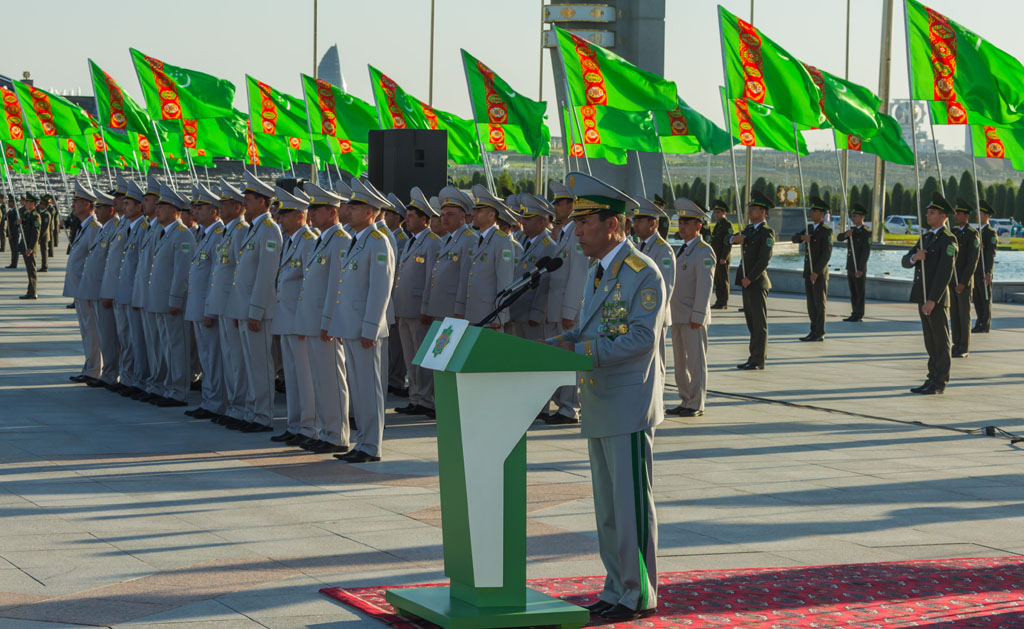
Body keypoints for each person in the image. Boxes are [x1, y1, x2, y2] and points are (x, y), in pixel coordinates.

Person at [545, 172, 661, 622]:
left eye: (584, 223)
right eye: (576, 223)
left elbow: (640, 339)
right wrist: (560, 343)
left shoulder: (640, 272)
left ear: (612, 225)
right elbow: (591, 328)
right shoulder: (599, 271)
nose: (576, 231)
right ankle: (616, 587)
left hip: (627, 406)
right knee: (609, 509)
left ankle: (639, 594)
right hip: (599, 401)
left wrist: (580, 350)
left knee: (630, 506)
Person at [324, 178, 395, 463]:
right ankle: (363, 442)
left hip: (366, 329)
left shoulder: (378, 242)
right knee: (359, 388)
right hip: (352, 326)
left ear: (370, 211)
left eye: (354, 206)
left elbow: (381, 290)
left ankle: (372, 446)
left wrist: (370, 328)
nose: (347, 210)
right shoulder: (359, 241)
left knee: (369, 388)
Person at [296, 181, 353, 454]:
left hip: (326, 323)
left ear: (332, 213)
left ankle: (338, 435)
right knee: (320, 379)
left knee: (332, 378)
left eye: (317, 210)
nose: (311, 214)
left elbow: (337, 285)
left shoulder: (341, 240)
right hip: (314, 321)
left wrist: (329, 321)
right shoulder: (323, 239)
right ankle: (324, 430)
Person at [225, 171, 283, 432]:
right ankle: (251, 412)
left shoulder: (269, 230)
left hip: (258, 311)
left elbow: (266, 275)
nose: (244, 203)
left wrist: (255, 311)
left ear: (262, 202)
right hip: (246, 308)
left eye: (248, 199)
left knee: (260, 365)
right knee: (249, 365)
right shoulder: (254, 229)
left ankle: (262, 416)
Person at [270, 186, 319, 444]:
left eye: (285, 214)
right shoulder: (291, 241)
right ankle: (295, 424)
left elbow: (310, 285)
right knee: (292, 376)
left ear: (299, 216)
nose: (279, 219)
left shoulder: (309, 241)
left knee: (305, 377)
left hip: (299, 320)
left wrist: (304, 320)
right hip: (286, 318)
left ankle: (309, 427)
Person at [539, 181, 587, 425]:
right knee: (559, 356)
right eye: (555, 202)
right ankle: (563, 404)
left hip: (567, 310)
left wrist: (569, 310)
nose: (555, 206)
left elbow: (578, 275)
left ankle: (570, 408)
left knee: (569, 358)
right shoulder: (565, 234)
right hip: (556, 308)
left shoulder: (576, 236)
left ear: (572, 205)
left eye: (560, 202)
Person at [392, 187, 441, 419]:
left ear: (425, 220)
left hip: (420, 310)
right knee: (411, 358)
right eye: (407, 215)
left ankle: (426, 399)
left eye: (412, 216)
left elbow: (432, 277)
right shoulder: (411, 241)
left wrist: (427, 308)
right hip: (405, 309)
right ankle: (415, 397)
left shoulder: (432, 242)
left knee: (423, 357)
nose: (407, 219)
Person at [146, 185, 197, 407]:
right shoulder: (163, 233)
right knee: (166, 347)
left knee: (177, 347)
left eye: (162, 206)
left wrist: (176, 300)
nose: (157, 210)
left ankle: (178, 390)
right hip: (160, 300)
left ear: (175, 210)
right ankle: (168, 386)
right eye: (157, 206)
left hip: (172, 302)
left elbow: (182, 272)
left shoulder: (183, 235)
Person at [901, 194, 957, 395]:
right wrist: (916, 257)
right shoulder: (925, 238)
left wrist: (933, 299)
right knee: (930, 340)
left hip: (936, 300)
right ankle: (931, 377)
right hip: (922, 296)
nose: (927, 215)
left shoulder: (948, 240)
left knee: (941, 341)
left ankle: (940, 381)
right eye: (928, 212)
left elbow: (945, 273)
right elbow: (905, 261)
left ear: (943, 216)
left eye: (932, 212)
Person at [205, 179, 250, 427]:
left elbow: (237, 274)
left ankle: (239, 406)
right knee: (229, 359)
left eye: (224, 203)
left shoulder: (241, 230)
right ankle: (232, 405)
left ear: (237, 206)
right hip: (222, 303)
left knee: (236, 361)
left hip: (231, 304)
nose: (220, 207)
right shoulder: (229, 230)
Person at [668, 199, 715, 417]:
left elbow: (705, 286)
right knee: (680, 362)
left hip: (692, 317)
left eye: (687, 222)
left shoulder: (704, 251)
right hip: (677, 315)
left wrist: (699, 315)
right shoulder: (683, 249)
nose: (682, 225)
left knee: (695, 362)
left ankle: (697, 402)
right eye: (681, 221)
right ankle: (685, 399)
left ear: (698, 225)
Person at [183, 184, 225, 419]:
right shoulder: (205, 233)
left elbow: (215, 277)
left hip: (207, 307)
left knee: (213, 357)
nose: (194, 211)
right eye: (194, 207)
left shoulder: (218, 235)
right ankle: (210, 399)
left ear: (213, 211)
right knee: (206, 357)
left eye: (200, 207)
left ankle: (215, 401)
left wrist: (210, 309)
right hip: (198, 306)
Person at [731, 191, 775, 369]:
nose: (751, 212)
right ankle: (753, 356)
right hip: (746, 281)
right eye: (751, 208)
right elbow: (730, 239)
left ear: (763, 212)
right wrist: (736, 239)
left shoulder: (766, 232)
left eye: (755, 209)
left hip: (756, 282)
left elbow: (764, 259)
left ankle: (758, 359)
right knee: (751, 322)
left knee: (759, 323)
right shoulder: (749, 230)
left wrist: (750, 278)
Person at [421, 186, 475, 323]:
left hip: (452, 309)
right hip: (441, 306)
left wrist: (459, 309)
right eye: (442, 215)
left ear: (462, 216)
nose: (444, 218)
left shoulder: (469, 239)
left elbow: (465, 279)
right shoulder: (448, 239)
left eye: (450, 214)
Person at [505, 192, 553, 338]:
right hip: (515, 309)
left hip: (530, 315)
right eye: (523, 218)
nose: (523, 222)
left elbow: (545, 283)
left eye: (528, 218)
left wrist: (537, 313)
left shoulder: (548, 246)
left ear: (541, 222)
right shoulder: (520, 238)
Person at [791, 197, 833, 342]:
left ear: (822, 214)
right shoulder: (809, 228)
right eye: (812, 210)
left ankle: (819, 331)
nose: (812, 213)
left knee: (819, 303)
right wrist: (803, 237)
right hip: (808, 271)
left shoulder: (826, 231)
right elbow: (794, 238)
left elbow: (826, 254)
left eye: (815, 211)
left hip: (818, 273)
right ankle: (813, 329)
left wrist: (817, 272)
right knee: (811, 303)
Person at [949, 200, 981, 358]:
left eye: (959, 213)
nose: (956, 216)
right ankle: (956, 344)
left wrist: (963, 282)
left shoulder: (972, 234)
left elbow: (972, 261)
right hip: (952, 279)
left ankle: (964, 347)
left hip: (963, 281)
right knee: (954, 314)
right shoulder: (954, 232)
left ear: (966, 216)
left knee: (963, 314)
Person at [836, 203, 871, 322]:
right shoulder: (852, 231)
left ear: (862, 217)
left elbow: (865, 252)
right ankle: (854, 312)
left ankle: (859, 313)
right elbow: (839, 238)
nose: (853, 218)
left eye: (855, 216)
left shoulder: (866, 233)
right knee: (853, 291)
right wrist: (846, 234)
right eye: (853, 216)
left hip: (859, 267)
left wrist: (860, 269)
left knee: (860, 291)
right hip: (851, 265)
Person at [972, 201, 997, 333]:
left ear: (987, 215)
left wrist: (989, 272)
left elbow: (990, 255)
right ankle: (979, 321)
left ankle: (985, 324)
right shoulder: (976, 232)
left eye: (980, 213)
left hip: (983, 270)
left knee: (985, 298)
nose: (977, 216)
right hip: (975, 270)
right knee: (976, 298)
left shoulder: (990, 233)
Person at [708, 200, 733, 310]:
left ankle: (724, 302)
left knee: (723, 280)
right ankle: (719, 301)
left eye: (718, 212)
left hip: (722, 257)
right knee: (717, 280)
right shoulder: (717, 225)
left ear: (724, 213)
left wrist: (724, 257)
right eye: (715, 212)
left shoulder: (727, 225)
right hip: (716, 256)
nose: (716, 214)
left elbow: (728, 243)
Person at [18, 194, 41, 299]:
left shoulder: (35, 215)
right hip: (25, 245)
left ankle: (33, 292)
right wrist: (20, 222)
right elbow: (22, 225)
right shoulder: (27, 214)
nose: (25, 204)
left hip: (30, 247)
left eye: (27, 202)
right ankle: (30, 291)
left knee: (31, 269)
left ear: (32, 203)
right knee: (29, 270)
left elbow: (35, 234)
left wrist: (31, 248)